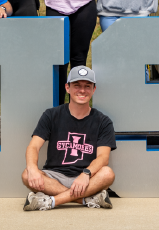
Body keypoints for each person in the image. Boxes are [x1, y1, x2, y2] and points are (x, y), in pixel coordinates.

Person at [21, 66, 116, 211]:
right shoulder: (51, 115)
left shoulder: (103, 121)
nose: (82, 90)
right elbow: (33, 146)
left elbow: (103, 157)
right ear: (67, 87)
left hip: (87, 178)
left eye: (87, 86)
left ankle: (51, 201)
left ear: (93, 90)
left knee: (107, 173)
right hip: (54, 176)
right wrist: (33, 168)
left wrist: (86, 173)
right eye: (77, 85)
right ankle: (86, 200)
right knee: (27, 174)